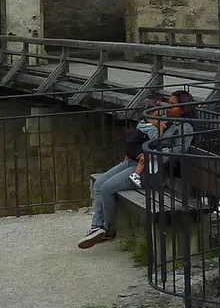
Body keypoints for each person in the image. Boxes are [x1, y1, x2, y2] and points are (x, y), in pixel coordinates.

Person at [79, 90, 195, 249]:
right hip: (137, 161)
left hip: (152, 171)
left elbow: (179, 150)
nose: (168, 107)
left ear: (184, 108)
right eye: (168, 103)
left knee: (107, 189)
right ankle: (97, 226)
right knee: (99, 184)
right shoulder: (166, 120)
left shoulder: (185, 127)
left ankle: (109, 230)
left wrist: (153, 155)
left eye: (173, 104)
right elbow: (147, 135)